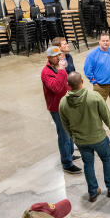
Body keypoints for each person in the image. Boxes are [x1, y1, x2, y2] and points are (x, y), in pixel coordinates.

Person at [59, 72, 110, 202]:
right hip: (98, 138)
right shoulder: (94, 97)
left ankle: (93, 191)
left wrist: (74, 137)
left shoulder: (63, 103)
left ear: (68, 85)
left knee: (88, 164)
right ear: (82, 81)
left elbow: (65, 125)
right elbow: (106, 115)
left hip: (81, 141)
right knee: (106, 159)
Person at [42, 46, 82, 175]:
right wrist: (61, 70)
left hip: (66, 105)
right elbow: (57, 88)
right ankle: (66, 163)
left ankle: (69, 154)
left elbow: (67, 85)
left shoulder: (59, 68)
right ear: (49, 58)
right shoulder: (46, 72)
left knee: (69, 132)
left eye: (59, 55)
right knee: (64, 135)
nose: (58, 58)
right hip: (56, 108)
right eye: (55, 56)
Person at [83, 33, 110, 130]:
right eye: (103, 41)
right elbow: (87, 70)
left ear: (109, 42)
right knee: (98, 106)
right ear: (99, 42)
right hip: (100, 86)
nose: (105, 43)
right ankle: (97, 125)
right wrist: (93, 80)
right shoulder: (92, 55)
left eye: (107, 41)